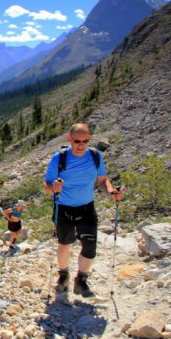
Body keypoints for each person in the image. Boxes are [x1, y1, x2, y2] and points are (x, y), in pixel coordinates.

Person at [43, 123, 124, 297]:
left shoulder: (95, 156)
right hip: (64, 208)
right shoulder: (59, 158)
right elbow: (47, 185)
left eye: (85, 141)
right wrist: (54, 187)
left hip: (87, 208)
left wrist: (111, 192)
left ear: (90, 140)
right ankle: (63, 275)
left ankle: (81, 281)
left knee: (90, 247)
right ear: (70, 139)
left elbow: (103, 180)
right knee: (64, 245)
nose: (81, 144)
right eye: (77, 140)